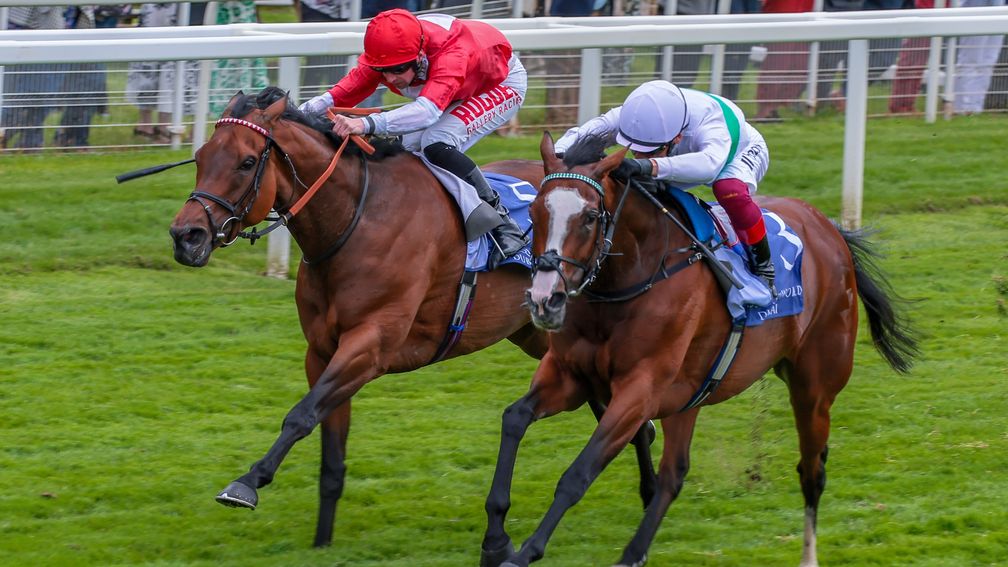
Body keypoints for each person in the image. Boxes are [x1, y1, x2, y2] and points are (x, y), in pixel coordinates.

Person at [299, 9, 529, 268]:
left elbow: (428, 111)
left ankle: (503, 225)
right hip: (458, 86)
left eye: (397, 70)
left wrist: (365, 124)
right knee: (406, 148)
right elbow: (345, 90)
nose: (389, 79)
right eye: (381, 70)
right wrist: (298, 113)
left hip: (500, 85)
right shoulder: (389, 50)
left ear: (419, 55)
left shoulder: (451, 53)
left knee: (436, 142)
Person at [554, 80, 777, 295]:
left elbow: (710, 165)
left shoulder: (711, 123)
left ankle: (763, 264)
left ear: (678, 137)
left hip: (736, 155)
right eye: (635, 150)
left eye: (649, 151)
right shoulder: (633, 117)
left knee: (730, 191)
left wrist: (645, 165)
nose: (639, 155)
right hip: (684, 156)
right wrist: (560, 157)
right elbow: (581, 135)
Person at [953, 0, 1006, 114]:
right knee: (970, 59)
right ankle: (963, 108)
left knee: (988, 61)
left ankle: (976, 108)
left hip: (999, 6)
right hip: (975, 5)